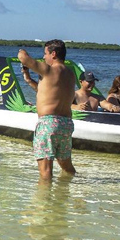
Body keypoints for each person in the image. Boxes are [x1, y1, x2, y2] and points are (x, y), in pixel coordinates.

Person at [18, 39, 77, 183]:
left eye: (45, 54)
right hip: (66, 124)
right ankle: (66, 196)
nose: (44, 57)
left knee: (45, 172)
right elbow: (49, 93)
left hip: (48, 124)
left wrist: (21, 50)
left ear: (54, 54)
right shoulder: (70, 74)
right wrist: (29, 79)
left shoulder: (49, 69)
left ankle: (45, 204)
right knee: (67, 168)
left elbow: (23, 57)